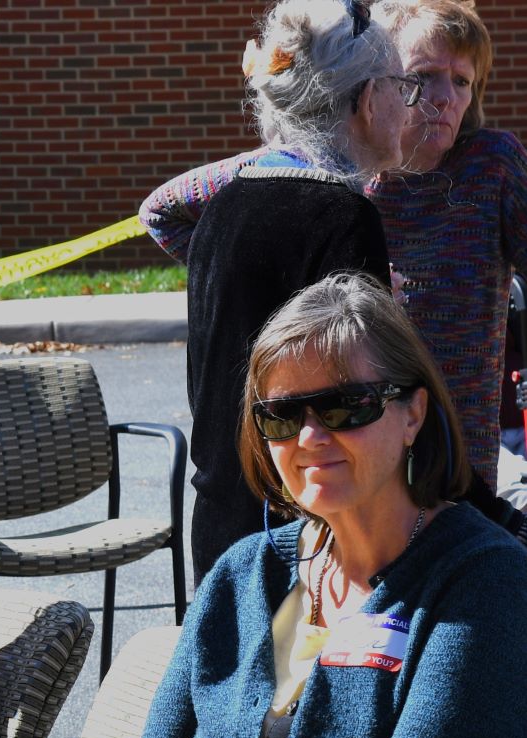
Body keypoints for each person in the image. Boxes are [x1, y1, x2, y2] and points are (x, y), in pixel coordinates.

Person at [108, 273, 527, 738]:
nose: (308, 438)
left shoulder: (485, 585)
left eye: (344, 407)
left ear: (412, 414)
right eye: (280, 416)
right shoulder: (245, 575)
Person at [141, 0, 527, 499]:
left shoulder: (491, 165)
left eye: (462, 81)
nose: (444, 98)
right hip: (343, 456)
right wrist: (295, 290)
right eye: (422, 77)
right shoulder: (328, 168)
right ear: (377, 88)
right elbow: (163, 210)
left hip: (460, 458)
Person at [162, 0, 411, 582]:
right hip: (300, 536)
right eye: (403, 87)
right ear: (368, 101)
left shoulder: (224, 206)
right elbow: (357, 409)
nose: (409, 106)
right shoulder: (343, 216)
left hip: (223, 524)